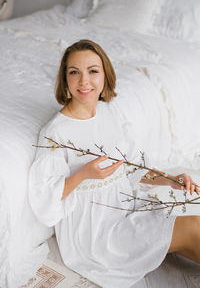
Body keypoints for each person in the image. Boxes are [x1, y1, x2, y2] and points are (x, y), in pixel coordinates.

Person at [29, 39, 200, 288]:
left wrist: (171, 180)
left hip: (125, 209)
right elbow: (45, 201)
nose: (84, 81)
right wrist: (83, 175)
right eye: (74, 72)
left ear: (105, 76)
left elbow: (131, 170)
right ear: (65, 79)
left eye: (93, 71)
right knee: (192, 227)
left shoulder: (110, 114)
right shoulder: (56, 133)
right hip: (97, 235)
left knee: (193, 231)